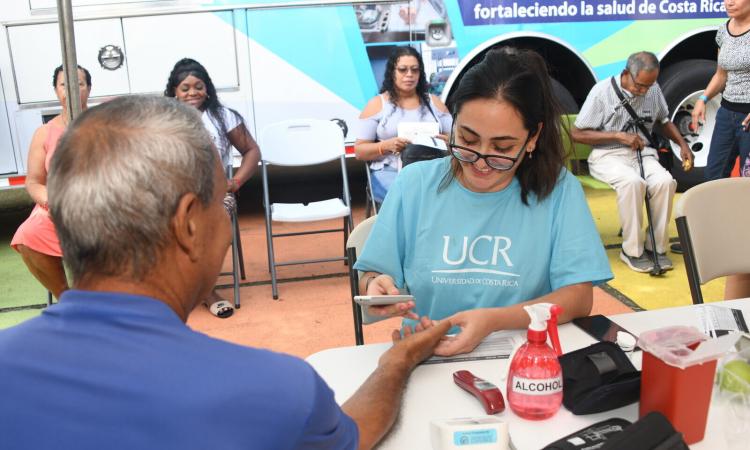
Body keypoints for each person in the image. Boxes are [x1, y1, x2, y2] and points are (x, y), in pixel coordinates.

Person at [0, 96, 451, 450]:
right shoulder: (274, 391)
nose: (228, 222)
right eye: (223, 203)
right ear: (189, 222)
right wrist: (399, 361)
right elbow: (353, 434)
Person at [354, 47, 612, 357]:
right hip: (426, 356)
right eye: (468, 139)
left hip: (525, 361)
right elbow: (371, 275)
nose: (481, 162)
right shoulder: (414, 184)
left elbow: (579, 297)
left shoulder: (558, 190)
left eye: (503, 148)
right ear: (453, 122)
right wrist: (375, 285)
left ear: (533, 138)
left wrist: (493, 321)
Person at [571, 52, 694, 273]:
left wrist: (682, 145)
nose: (644, 91)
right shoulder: (602, 92)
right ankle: (632, 251)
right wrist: (618, 136)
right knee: (632, 183)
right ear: (626, 73)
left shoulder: (652, 89)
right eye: (640, 86)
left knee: (665, 182)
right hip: (607, 155)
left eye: (649, 86)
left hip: (643, 154)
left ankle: (656, 247)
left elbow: (664, 121)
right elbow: (577, 133)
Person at [165, 58, 261, 318]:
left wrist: (236, 182)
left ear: (207, 89)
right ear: (174, 91)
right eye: (185, 88)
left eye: (198, 86)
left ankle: (207, 291)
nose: (192, 93)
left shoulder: (222, 116)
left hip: (216, 195)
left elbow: (252, 151)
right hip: (174, 195)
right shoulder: (165, 120)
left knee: (208, 224)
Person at [10, 64, 92, 299]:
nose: (73, 90)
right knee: (28, 234)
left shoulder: (106, 124)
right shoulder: (44, 133)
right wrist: (51, 201)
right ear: (56, 90)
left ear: (89, 89)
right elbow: (34, 181)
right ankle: (67, 298)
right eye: (65, 84)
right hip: (57, 205)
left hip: (100, 204)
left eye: (79, 83)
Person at [354, 46, 452, 205]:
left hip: (433, 170)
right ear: (392, 72)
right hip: (391, 172)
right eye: (403, 70)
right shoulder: (377, 105)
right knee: (410, 198)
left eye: (415, 70)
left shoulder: (434, 103)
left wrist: (447, 143)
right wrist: (386, 145)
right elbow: (359, 151)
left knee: (449, 196)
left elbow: (458, 140)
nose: (409, 75)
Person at [692, 0, 750, 181]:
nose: (729, 3)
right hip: (726, 114)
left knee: (746, 179)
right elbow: (721, 74)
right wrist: (703, 99)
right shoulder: (723, 31)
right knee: (713, 178)